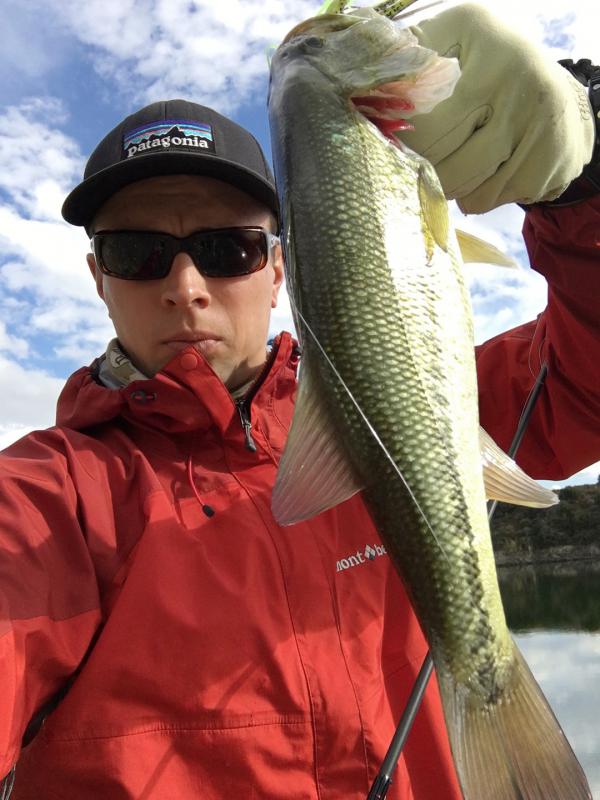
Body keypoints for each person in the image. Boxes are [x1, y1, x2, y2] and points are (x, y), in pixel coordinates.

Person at [1, 4, 599, 798]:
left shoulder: (420, 394)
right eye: (137, 252)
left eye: (228, 249)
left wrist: (584, 177)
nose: (187, 288)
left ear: (280, 269)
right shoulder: (41, 503)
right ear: (98, 280)